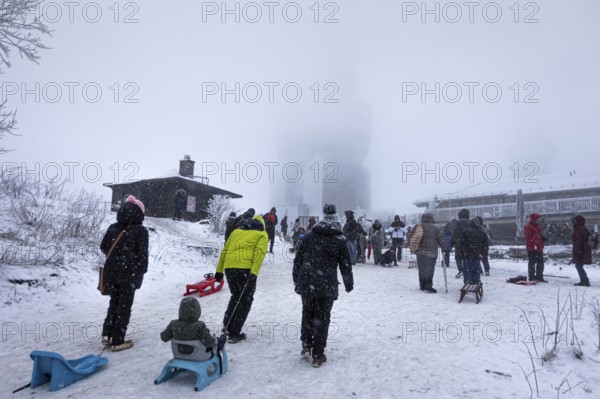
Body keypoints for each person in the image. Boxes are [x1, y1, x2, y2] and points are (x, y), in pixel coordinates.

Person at [293, 204, 353, 368]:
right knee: (322, 317)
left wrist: (296, 278)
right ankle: (318, 354)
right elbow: (345, 264)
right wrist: (349, 283)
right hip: (326, 283)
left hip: (307, 281)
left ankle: (306, 344)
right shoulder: (339, 239)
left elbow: (298, 258)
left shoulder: (310, 236)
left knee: (307, 311)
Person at [100, 195, 149, 352]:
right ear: (140, 214)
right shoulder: (141, 231)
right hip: (129, 274)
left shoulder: (113, 227)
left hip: (111, 272)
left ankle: (107, 335)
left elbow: (103, 247)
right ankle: (118, 340)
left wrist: (117, 257)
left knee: (114, 302)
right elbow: (142, 256)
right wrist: (140, 271)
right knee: (124, 306)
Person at [215, 214, 268, 343]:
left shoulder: (236, 232)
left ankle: (227, 327)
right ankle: (234, 333)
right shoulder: (262, 235)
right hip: (245, 269)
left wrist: (219, 271)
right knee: (245, 300)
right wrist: (254, 272)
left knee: (235, 296)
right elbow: (259, 254)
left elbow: (225, 251)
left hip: (229, 267)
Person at [160, 297, 226, 356]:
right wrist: (216, 340)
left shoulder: (173, 324)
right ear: (197, 311)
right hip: (198, 356)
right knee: (219, 340)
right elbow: (208, 342)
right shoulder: (199, 326)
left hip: (180, 355)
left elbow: (164, 337)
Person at [410, 213, 446, 293]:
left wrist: (414, 249)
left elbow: (411, 238)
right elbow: (441, 239)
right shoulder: (435, 228)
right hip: (431, 253)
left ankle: (422, 285)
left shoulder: (417, 227)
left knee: (422, 269)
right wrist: (444, 247)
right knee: (429, 269)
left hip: (420, 252)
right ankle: (428, 285)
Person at [458, 218, 489, 285]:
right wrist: (483, 253)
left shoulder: (465, 232)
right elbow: (485, 244)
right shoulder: (482, 233)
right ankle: (476, 281)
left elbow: (461, 243)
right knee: (476, 268)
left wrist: (463, 252)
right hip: (477, 253)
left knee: (467, 268)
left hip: (468, 253)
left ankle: (468, 282)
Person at [525, 213, 547, 283]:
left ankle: (539, 276)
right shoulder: (528, 227)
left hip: (538, 247)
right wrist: (535, 243)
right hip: (532, 247)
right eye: (537, 219)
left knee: (540, 262)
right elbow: (529, 238)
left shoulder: (537, 227)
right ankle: (532, 277)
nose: (539, 220)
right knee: (532, 262)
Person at [571, 215, 592, 286]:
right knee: (579, 266)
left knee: (578, 266)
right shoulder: (583, 228)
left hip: (580, 251)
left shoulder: (579, 229)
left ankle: (584, 281)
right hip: (583, 250)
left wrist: (577, 251)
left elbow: (578, 242)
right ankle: (584, 280)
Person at [451, 209, 470, 279]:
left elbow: (455, 232)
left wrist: (453, 241)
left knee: (458, 257)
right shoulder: (469, 222)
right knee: (466, 257)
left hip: (459, 243)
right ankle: (466, 269)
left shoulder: (458, 223)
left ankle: (460, 270)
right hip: (467, 243)